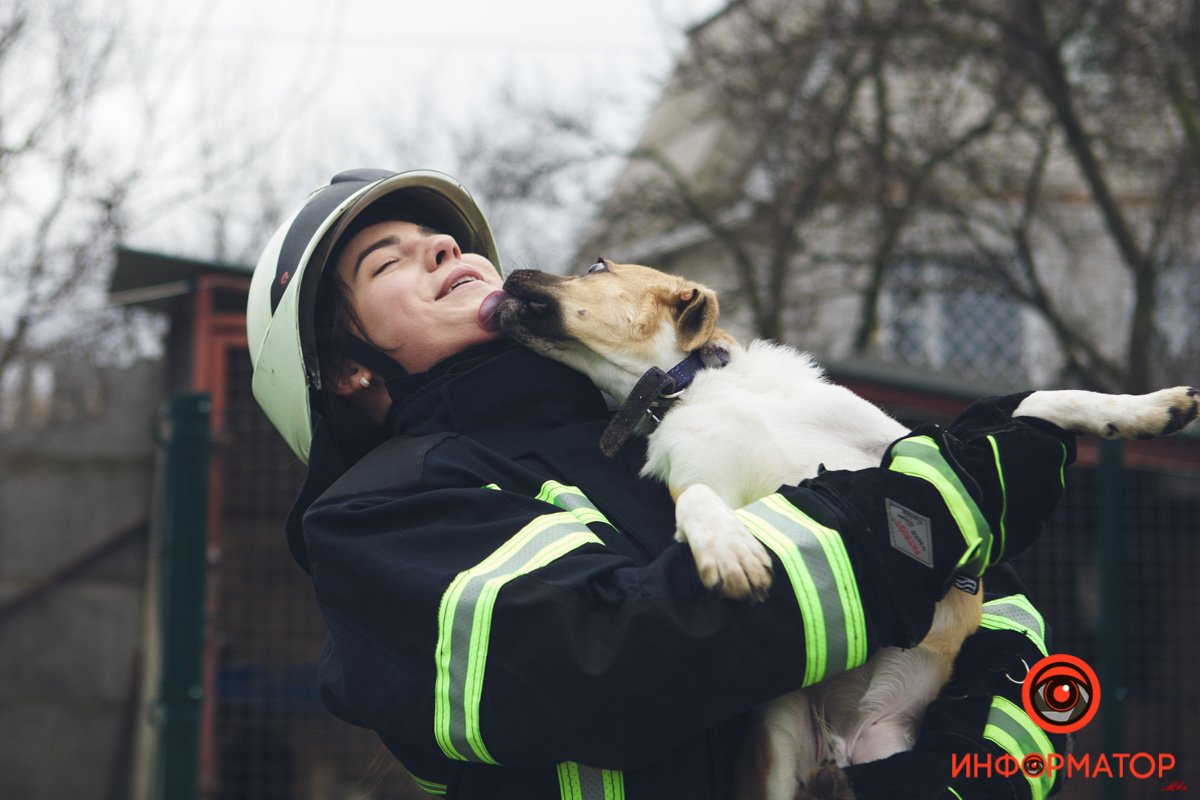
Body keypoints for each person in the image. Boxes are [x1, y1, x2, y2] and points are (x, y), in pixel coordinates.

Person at [247, 169, 1071, 800]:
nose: (441, 249)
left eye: (445, 240)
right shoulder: (378, 520)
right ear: (348, 369)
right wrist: (913, 516)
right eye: (387, 260)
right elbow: (612, 658)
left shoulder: (657, 424)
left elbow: (982, 594)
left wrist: (979, 757)